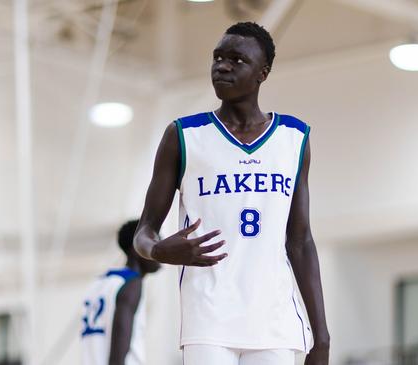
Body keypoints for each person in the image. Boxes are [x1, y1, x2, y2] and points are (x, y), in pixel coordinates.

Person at [134, 21, 330, 365]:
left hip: (274, 320)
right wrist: (158, 250)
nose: (222, 66)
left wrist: (322, 337)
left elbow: (300, 242)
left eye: (237, 60)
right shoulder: (183, 135)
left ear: (262, 73)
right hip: (208, 318)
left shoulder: (294, 138)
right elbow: (144, 232)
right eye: (218, 57)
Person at [81, 220, 161, 365]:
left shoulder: (97, 284)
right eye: (155, 241)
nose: (160, 247)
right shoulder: (132, 284)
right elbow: (120, 341)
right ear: (137, 247)